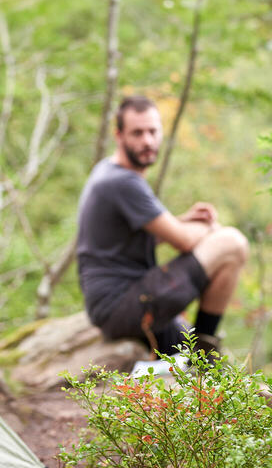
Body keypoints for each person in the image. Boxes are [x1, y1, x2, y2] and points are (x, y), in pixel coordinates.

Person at [76, 95, 248, 357]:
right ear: (119, 135)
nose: (147, 140)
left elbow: (128, 238)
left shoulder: (107, 171)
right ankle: (201, 361)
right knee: (232, 244)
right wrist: (209, 231)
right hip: (123, 306)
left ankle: (201, 359)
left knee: (195, 346)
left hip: (118, 306)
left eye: (153, 132)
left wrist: (183, 220)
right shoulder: (123, 182)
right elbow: (184, 241)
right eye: (137, 133)